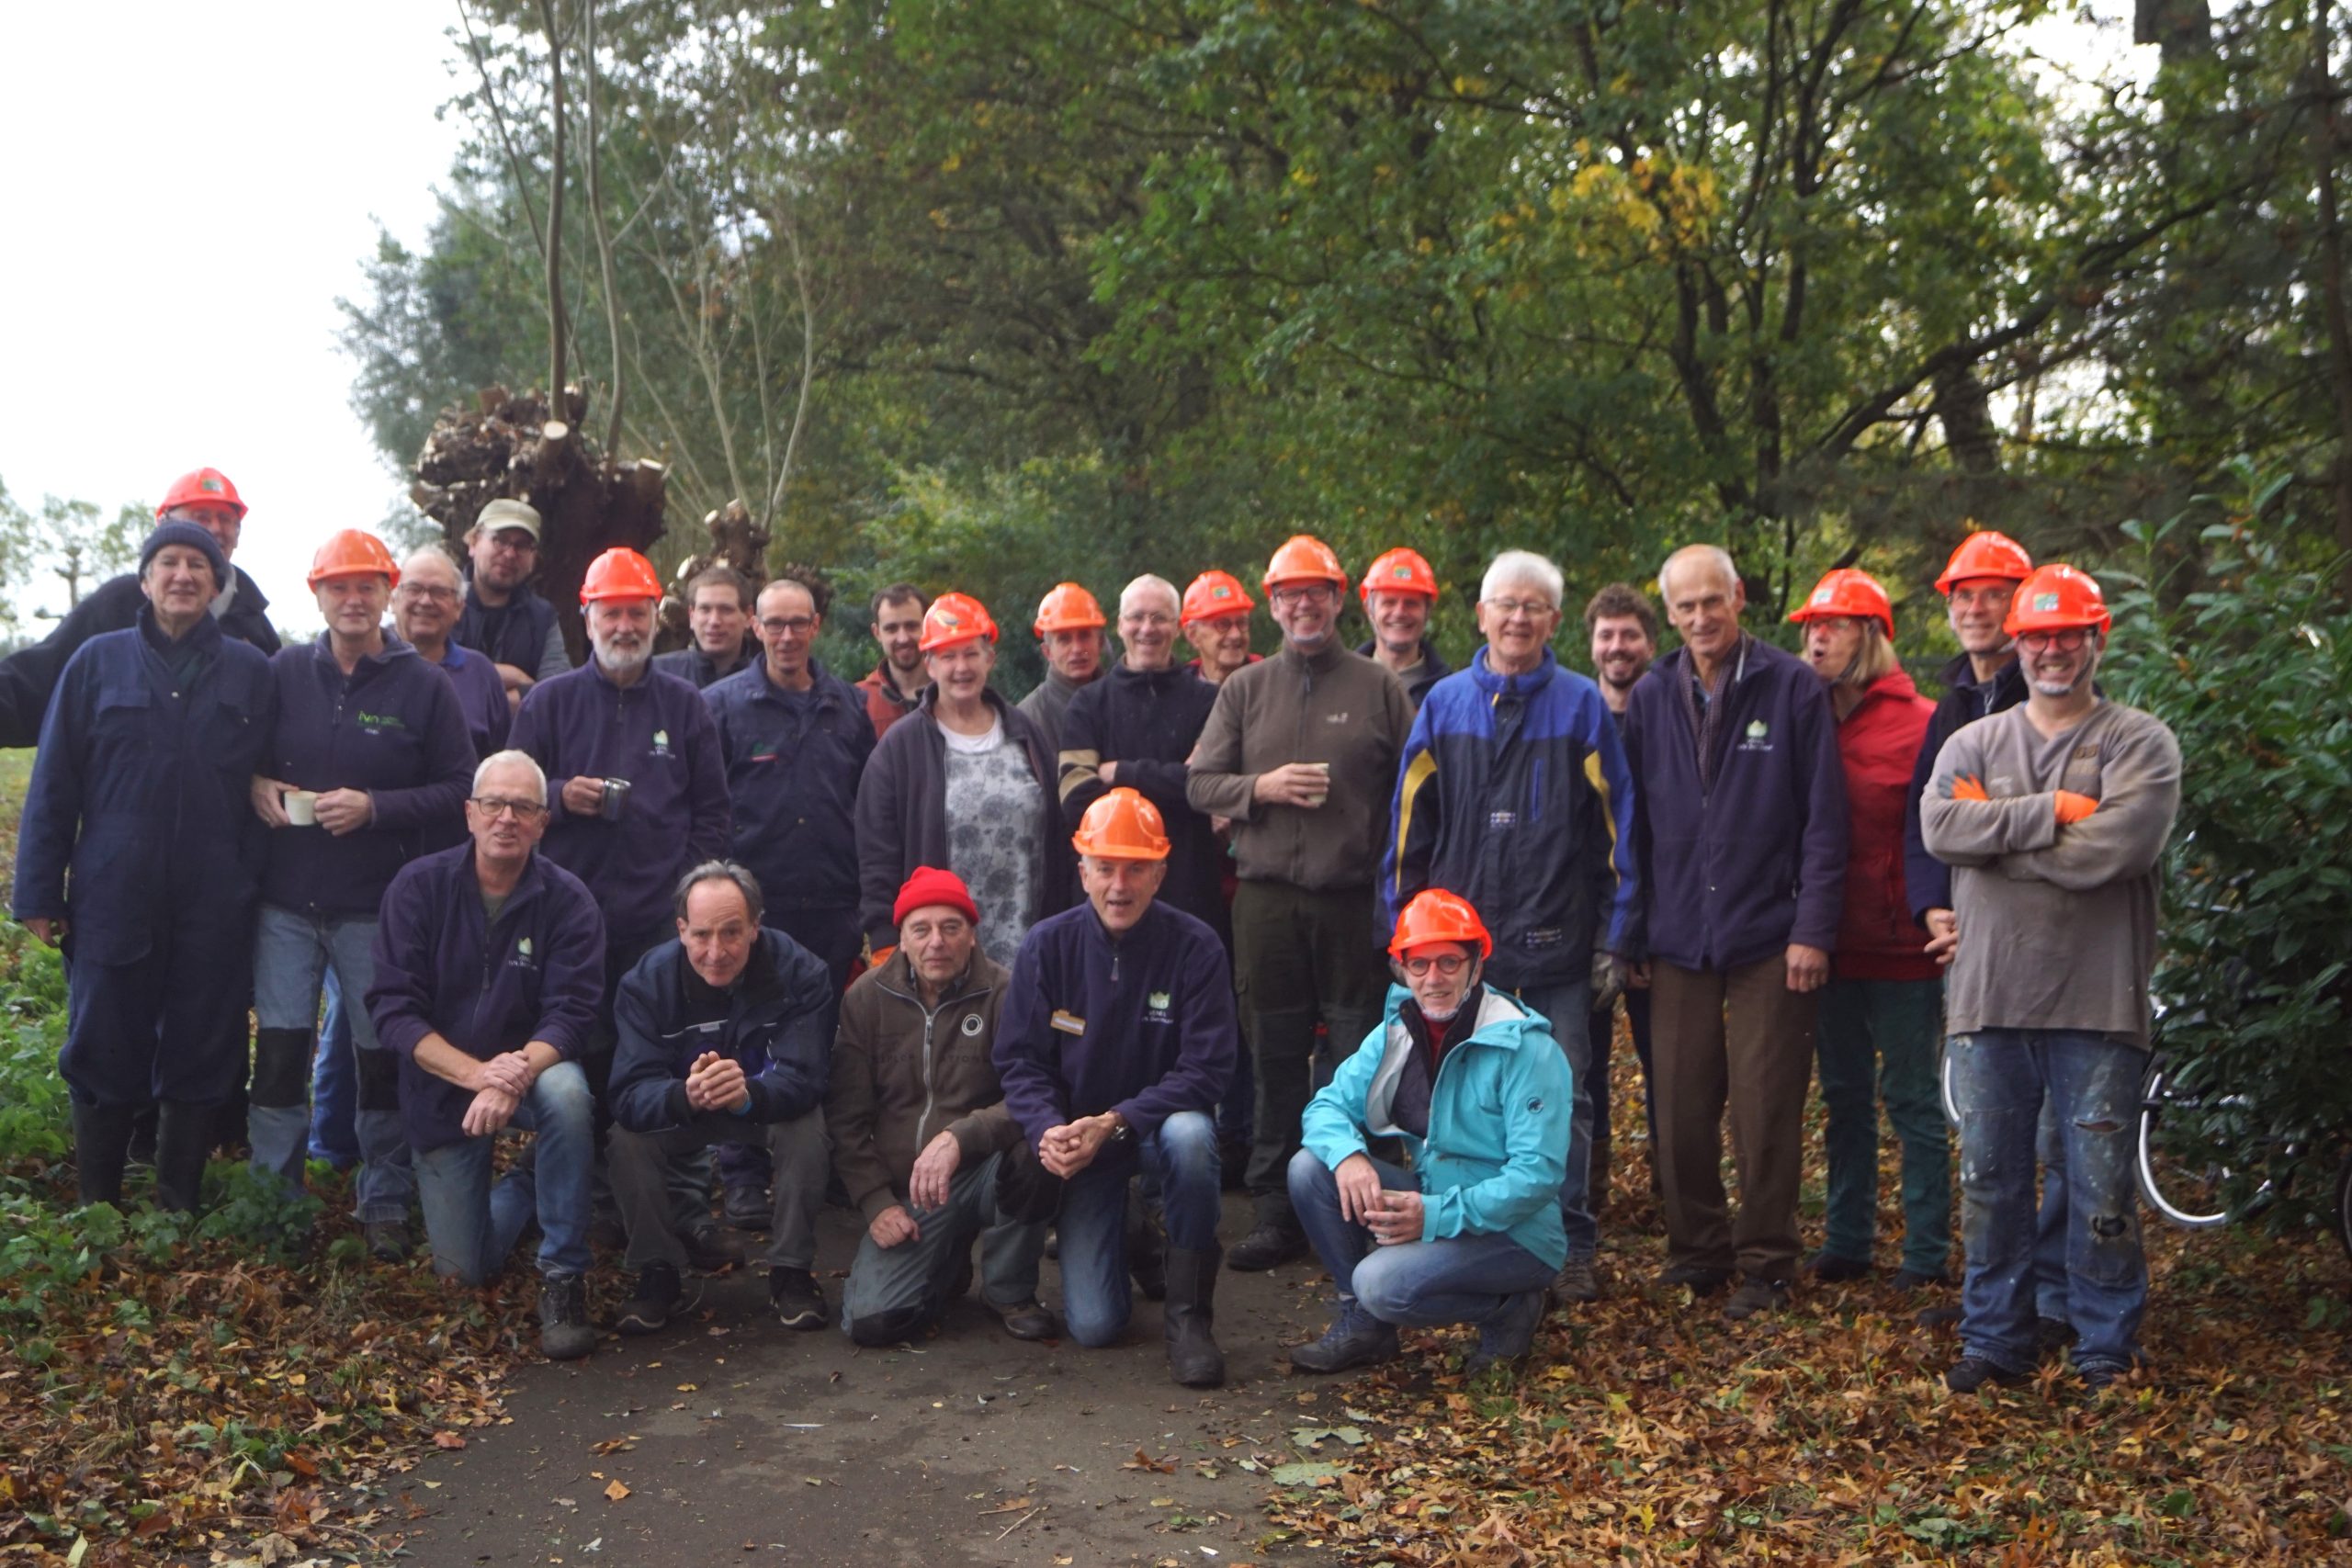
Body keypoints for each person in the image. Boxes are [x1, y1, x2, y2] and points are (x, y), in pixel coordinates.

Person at [1922, 564, 2180, 1395]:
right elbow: (1937, 826)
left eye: (2069, 632)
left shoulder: (2139, 741)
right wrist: (2057, 811)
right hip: (1987, 999)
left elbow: (2121, 849)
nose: (2052, 649)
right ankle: (1996, 1336)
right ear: (2018, 643)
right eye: (2037, 635)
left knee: (2098, 1181)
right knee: (1991, 1180)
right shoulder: (1972, 742)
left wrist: (1995, 837)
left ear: (2096, 639)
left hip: (2099, 1002)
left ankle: (2104, 1340)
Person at [1385, 550, 1636, 1306]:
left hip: (1558, 946)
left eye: (1534, 607)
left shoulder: (1582, 705)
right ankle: (1463, 1234)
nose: (1518, 618)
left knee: (1568, 1100)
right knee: (1454, 1096)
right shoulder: (1445, 705)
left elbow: (1618, 830)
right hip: (1457, 956)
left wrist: (1615, 938)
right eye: (1506, 604)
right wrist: (1398, 933)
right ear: (1482, 615)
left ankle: (1568, 1239)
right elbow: (1408, 829)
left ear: (1555, 621)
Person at [13, 523, 275, 1211]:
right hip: (112, 889)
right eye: (168, 562)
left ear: (218, 585)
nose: (183, 575)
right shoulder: (97, 663)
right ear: (145, 579)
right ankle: (99, 1199)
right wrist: (39, 890)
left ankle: (176, 1201)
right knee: (102, 1039)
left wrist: (250, 880)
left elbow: (275, 776)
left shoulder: (252, 671)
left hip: (212, 896)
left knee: (201, 1042)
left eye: (198, 564)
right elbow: (53, 785)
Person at [1622, 544, 1847, 1319]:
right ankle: (1697, 1251)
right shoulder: (1651, 696)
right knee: (1679, 1104)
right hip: (1677, 931)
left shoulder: (1791, 687)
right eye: (1683, 607)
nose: (1699, 618)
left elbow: (1824, 819)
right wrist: (1632, 933)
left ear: (1739, 598)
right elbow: (1633, 826)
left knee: (1764, 1103)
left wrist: (1813, 928)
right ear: (1670, 616)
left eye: (1710, 601)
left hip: (1770, 932)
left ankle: (1767, 1263)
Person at [1187, 535, 1415, 1270]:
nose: (1304, 604)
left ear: (1339, 599)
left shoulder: (1378, 686)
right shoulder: (1246, 690)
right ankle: (1274, 1213)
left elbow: (1418, 792)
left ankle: (1351, 1209)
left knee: (1358, 1058)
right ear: (1274, 605)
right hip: (1264, 903)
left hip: (1352, 902)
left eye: (1317, 591)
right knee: (1275, 1057)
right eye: (1290, 594)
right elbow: (1198, 783)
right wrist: (1262, 788)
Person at [245, 531, 475, 1258]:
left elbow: (459, 788)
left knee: (381, 1058)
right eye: (338, 586)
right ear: (316, 594)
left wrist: (376, 806)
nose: (352, 599)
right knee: (281, 1055)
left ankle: (383, 1198)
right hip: (285, 902)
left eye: (366, 586)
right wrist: (255, 781)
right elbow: (238, 754)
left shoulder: (423, 685)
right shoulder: (281, 672)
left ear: (388, 594)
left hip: (375, 907)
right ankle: (276, 1204)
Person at [994, 789, 1238, 1385]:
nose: (1119, 885)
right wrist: (1047, 1128)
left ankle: (1189, 1318)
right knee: (1097, 1326)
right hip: (1086, 1141)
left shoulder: (1197, 946)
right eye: (1105, 867)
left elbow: (1208, 1068)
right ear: (1082, 872)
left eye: (1135, 868)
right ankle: (1133, 1231)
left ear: (1160, 872)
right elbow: (1020, 1060)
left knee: (1191, 1136)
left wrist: (1119, 1118)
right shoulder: (1046, 946)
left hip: (1156, 1128)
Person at [368, 751, 603, 1359]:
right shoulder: (416, 888)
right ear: (469, 813)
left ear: (542, 822)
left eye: (523, 806)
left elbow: (574, 1012)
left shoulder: (569, 899)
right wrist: (477, 1075)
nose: (507, 818)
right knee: (463, 1271)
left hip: (533, 1069)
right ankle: (531, 1180)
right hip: (444, 1084)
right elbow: (394, 1010)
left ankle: (563, 1276)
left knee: (570, 1097)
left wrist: (514, 1072)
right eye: (494, 804)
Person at [1287, 889, 1571, 1374]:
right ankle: (1366, 1327)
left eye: (1448, 962)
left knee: (1382, 1284)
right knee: (1310, 1167)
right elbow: (1326, 1106)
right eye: (1419, 965)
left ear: (1476, 966)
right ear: (1401, 969)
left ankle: (1510, 1309)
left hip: (1518, 1234)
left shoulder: (1528, 1049)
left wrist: (1434, 1217)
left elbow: (1538, 1175)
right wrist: (1349, 1155)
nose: (1433, 979)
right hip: (1432, 1196)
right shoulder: (1397, 1030)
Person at [1903, 530, 2068, 1343]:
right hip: (1964, 947)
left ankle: (2058, 1294)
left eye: (1992, 592)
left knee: (2060, 1133)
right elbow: (1927, 820)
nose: (1974, 607)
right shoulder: (1954, 704)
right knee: (1988, 1129)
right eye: (1962, 594)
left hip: (2048, 946)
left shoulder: (2053, 695)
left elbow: (2060, 825)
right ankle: (1999, 1296)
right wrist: (1933, 905)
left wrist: (1979, 837)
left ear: (2025, 602)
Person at [1788, 569, 1949, 1291]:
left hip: (1903, 949)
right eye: (1811, 626)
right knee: (1844, 1096)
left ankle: (1926, 1253)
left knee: (1912, 1101)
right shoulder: (1800, 713)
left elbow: (1941, 833)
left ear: (1872, 635)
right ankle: (1848, 1240)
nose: (1817, 636)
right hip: (1827, 944)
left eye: (1835, 624)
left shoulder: (1923, 722)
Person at [508, 546, 732, 1059]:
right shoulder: (549, 702)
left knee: (652, 1045)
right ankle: (571, 1139)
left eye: (637, 612)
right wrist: (560, 796)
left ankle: (646, 1138)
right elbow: (508, 802)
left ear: (657, 620)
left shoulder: (684, 705)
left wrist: (683, 884)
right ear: (587, 621)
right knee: (572, 1045)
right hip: (561, 912)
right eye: (611, 613)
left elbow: (714, 813)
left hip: (657, 917)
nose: (624, 626)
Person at [703, 572, 875, 1228]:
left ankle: (816, 1164)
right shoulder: (721, 705)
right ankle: (743, 1172)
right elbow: (707, 805)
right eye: (773, 622)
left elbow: (868, 799)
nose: (786, 634)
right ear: (754, 625)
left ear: (817, 626)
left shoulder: (847, 707)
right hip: (752, 904)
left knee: (822, 1033)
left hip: (832, 897)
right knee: (742, 1031)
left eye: (798, 622)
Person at [605, 863, 840, 1334]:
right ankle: (656, 1270)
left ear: (756, 926)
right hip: (685, 1106)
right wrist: (682, 1094)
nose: (716, 951)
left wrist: (749, 1093)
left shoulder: (802, 971)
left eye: (732, 932)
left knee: (808, 1128)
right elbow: (628, 1092)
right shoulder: (644, 983)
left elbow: (807, 1076)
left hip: (760, 1105)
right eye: (702, 934)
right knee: (624, 1139)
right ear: (681, 930)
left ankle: (791, 1269)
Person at [829, 867, 1056, 1345]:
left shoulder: (1006, 991)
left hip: (983, 1168)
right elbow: (846, 1119)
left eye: (951, 927)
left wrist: (960, 1136)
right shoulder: (866, 999)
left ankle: (1008, 1289)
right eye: (922, 929)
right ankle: (945, 1261)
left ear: (972, 935)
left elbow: (1033, 1094)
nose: (937, 942)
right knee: (872, 1325)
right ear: (902, 939)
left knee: (1040, 1155)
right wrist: (875, 1203)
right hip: (909, 1190)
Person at [855, 592, 1069, 972]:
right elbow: (877, 854)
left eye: (971, 653)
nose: (961, 667)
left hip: (1027, 944)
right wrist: (886, 941)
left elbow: (1059, 840)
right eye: (948, 656)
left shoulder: (1025, 733)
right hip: (937, 952)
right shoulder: (901, 748)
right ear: (930, 664)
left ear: (990, 658)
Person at [0, 467, 281, 749]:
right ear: (164, 525)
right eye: (201, 517)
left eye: (226, 519)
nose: (216, 529)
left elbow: (279, 725)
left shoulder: (254, 625)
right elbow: (40, 678)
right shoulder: (118, 603)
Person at [1581, 581, 1661, 1211]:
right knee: (1585, 1065)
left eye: (1628, 633)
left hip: (1664, 921)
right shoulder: (1577, 715)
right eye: (1606, 634)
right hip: (1588, 919)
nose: (1617, 646)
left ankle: (1673, 1188)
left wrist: (1644, 930)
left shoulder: (1672, 712)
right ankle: (1592, 1187)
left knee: (1670, 1066)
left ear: (1649, 642)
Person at [455, 498, 571, 712]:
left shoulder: (543, 618)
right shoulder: (443, 601)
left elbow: (558, 693)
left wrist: (478, 696)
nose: (510, 554)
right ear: (473, 543)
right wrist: (516, 678)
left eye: (522, 545)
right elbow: (430, 672)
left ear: (533, 557)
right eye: (500, 540)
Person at [395, 545, 511, 761]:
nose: (425, 601)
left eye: (439, 592)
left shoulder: (481, 673)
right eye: (414, 589)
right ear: (393, 601)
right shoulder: (368, 665)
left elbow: (500, 761)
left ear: (459, 608)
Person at [1016, 581, 1108, 756]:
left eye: (1084, 635)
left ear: (1100, 643)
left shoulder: (1124, 700)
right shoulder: (1028, 719)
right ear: (1047, 651)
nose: (1077, 649)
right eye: (1064, 639)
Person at [1356, 547, 1451, 710]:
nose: (1399, 612)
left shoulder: (1449, 694)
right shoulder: (1343, 683)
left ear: (1428, 611)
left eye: (1411, 603)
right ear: (1369, 609)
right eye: (1389, 602)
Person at [653, 565, 761, 688]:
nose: (714, 621)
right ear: (692, 616)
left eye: (726, 610)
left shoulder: (765, 681)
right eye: (705, 609)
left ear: (748, 616)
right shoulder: (657, 676)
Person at [855, 582, 930, 739]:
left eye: (911, 626)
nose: (903, 638)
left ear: (928, 626)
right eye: (891, 629)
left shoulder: (953, 694)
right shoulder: (857, 701)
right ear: (877, 633)